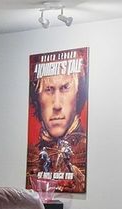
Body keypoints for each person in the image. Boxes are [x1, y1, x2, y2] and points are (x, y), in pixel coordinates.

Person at [28, 59, 88, 190]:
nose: (56, 105)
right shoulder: (33, 155)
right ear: (37, 98)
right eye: (48, 89)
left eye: (65, 88)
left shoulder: (84, 149)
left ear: (78, 94)